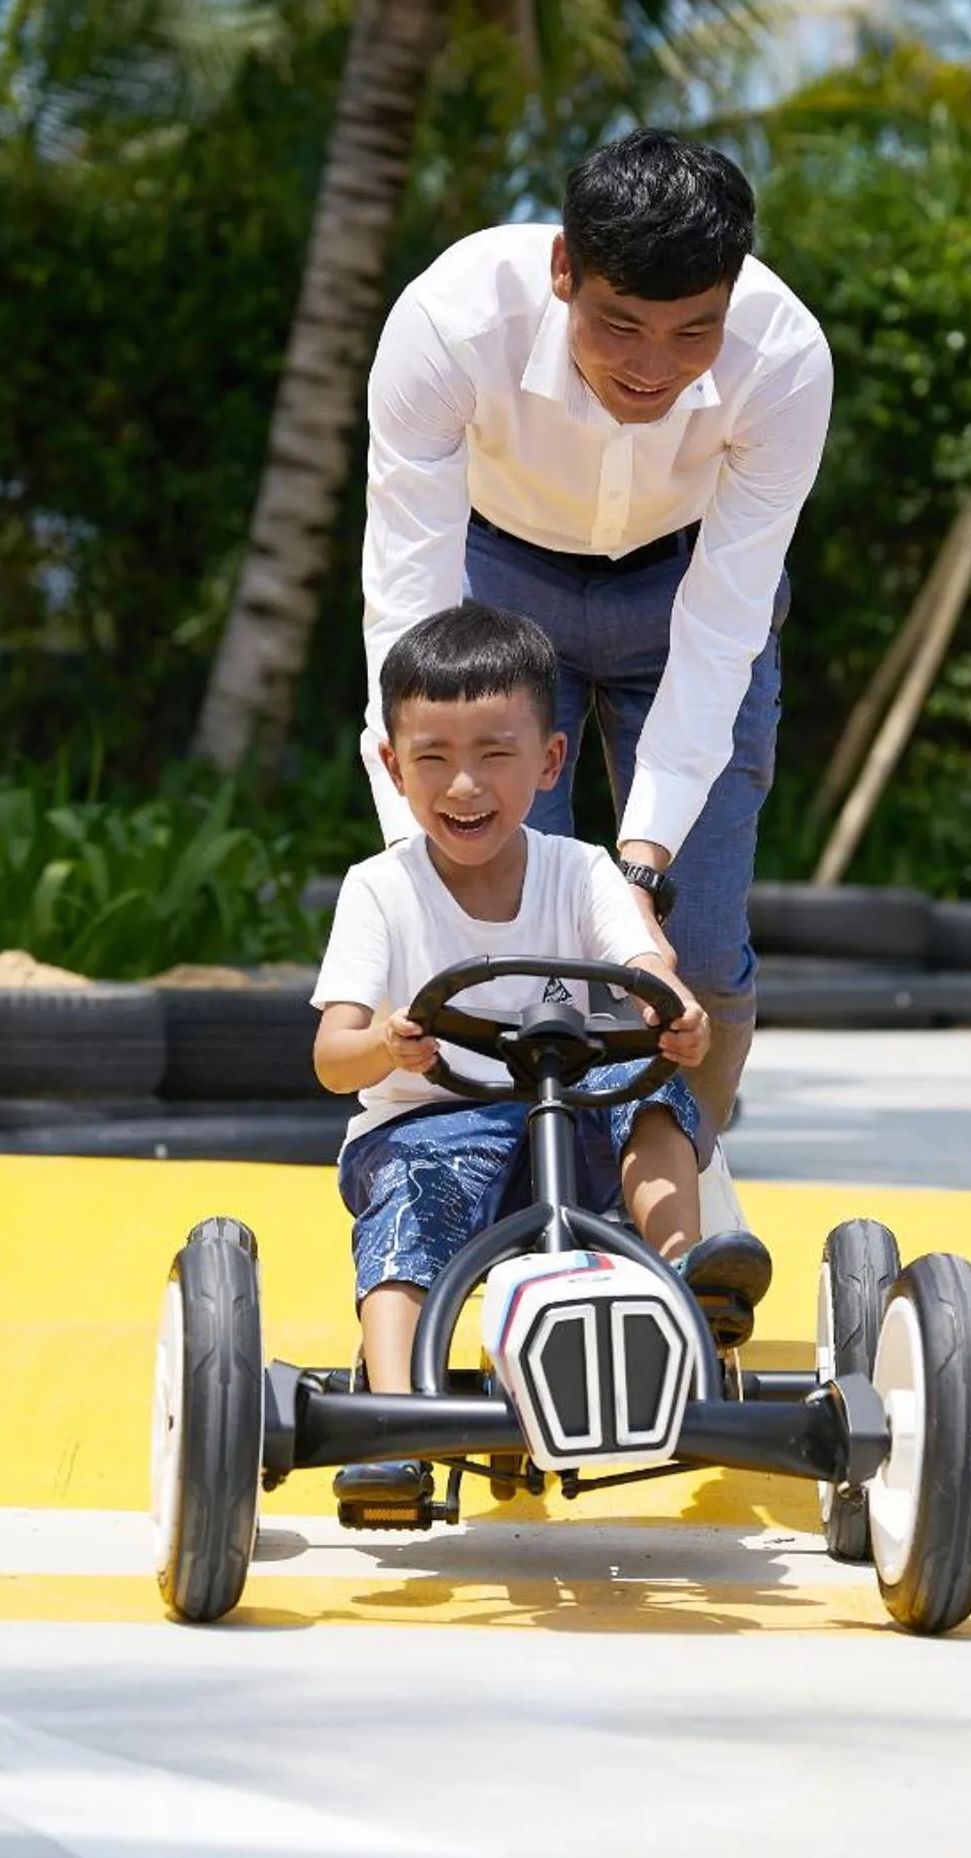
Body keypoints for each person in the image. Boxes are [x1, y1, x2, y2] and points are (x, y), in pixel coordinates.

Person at [357, 126, 834, 1187]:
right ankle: (532, 1195)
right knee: (513, 942)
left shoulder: (786, 358)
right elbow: (408, 605)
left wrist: (643, 861)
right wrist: (432, 845)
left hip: (686, 592)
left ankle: (681, 1192)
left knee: (695, 949)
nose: (652, 368)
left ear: (734, 289)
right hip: (500, 588)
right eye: (620, 324)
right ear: (564, 268)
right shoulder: (449, 319)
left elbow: (723, 629)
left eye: (691, 332)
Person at [312, 602, 775, 1514]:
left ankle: (686, 1277)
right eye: (434, 758)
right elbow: (333, 1057)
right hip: (426, 1126)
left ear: (550, 761)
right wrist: (386, 1040)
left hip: (569, 1121)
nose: (463, 786)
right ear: (391, 765)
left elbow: (643, 960)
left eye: (494, 753)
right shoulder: (378, 890)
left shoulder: (581, 869)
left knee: (645, 1087)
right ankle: (395, 1417)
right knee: (413, 1196)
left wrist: (674, 1011)